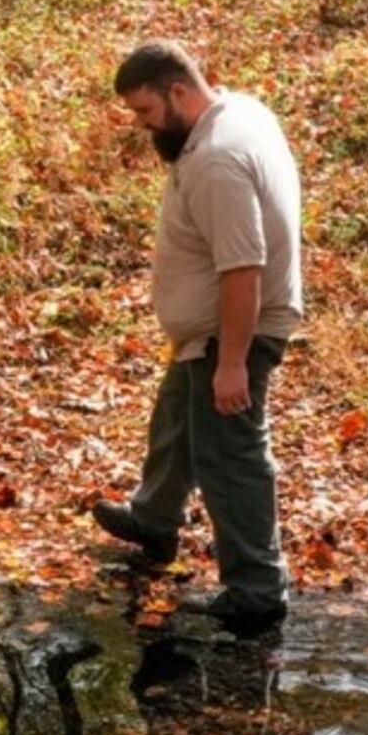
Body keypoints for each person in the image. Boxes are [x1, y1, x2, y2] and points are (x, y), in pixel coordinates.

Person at [91, 40, 305, 635]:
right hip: (210, 333)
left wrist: (232, 361)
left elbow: (243, 269)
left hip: (235, 329)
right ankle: (155, 517)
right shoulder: (240, 111)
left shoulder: (216, 158)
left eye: (145, 112)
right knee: (179, 414)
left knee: (229, 453)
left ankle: (257, 588)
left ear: (178, 92)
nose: (141, 126)